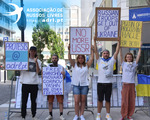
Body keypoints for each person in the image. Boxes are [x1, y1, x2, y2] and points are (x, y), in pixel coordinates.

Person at [94, 37, 120, 120]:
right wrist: (94, 41)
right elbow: (95, 51)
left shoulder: (112, 60)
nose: (105, 54)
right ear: (102, 54)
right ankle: (98, 114)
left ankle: (108, 114)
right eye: (104, 53)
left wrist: (119, 42)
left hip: (109, 83)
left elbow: (116, 52)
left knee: (108, 100)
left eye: (107, 53)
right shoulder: (99, 60)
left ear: (109, 54)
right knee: (100, 100)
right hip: (100, 83)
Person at [68, 44, 94, 120]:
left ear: (84, 59)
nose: (80, 59)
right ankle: (76, 115)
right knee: (76, 101)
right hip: (76, 85)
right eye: (79, 58)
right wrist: (69, 49)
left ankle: (81, 114)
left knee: (83, 101)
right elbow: (69, 58)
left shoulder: (87, 65)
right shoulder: (74, 65)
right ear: (77, 59)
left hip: (84, 85)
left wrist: (92, 50)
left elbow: (92, 58)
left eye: (82, 58)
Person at [120, 47, 141, 120]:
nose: (129, 58)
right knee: (124, 101)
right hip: (125, 85)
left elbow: (138, 56)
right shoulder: (123, 63)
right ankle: (123, 115)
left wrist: (140, 49)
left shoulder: (134, 64)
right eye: (127, 57)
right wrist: (120, 49)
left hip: (132, 84)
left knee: (131, 100)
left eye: (130, 57)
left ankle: (129, 115)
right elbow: (120, 56)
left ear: (132, 58)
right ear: (126, 58)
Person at [20, 46, 41, 120]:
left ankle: (34, 115)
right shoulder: (24, 60)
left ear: (35, 52)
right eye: (31, 51)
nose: (32, 52)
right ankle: (23, 116)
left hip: (34, 83)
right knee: (24, 101)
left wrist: (36, 62)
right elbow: (17, 68)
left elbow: (38, 72)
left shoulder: (38, 61)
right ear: (29, 51)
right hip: (25, 83)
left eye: (34, 51)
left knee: (33, 101)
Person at [45, 54, 66, 120]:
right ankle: (50, 114)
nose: (54, 59)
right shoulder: (48, 66)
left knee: (60, 101)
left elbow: (64, 77)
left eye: (55, 58)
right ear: (51, 59)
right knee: (50, 101)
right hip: (50, 87)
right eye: (53, 58)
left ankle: (61, 115)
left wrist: (63, 74)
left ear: (57, 59)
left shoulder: (61, 67)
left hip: (58, 87)